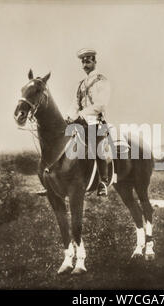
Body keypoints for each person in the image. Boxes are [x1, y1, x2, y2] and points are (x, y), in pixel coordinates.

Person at [67, 48, 111, 196]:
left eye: (88, 61)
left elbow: (101, 104)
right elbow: (75, 103)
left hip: (95, 122)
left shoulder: (101, 81)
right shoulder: (80, 84)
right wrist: (69, 117)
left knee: (96, 148)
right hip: (80, 121)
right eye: (83, 61)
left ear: (94, 62)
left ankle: (103, 182)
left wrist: (82, 114)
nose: (85, 64)